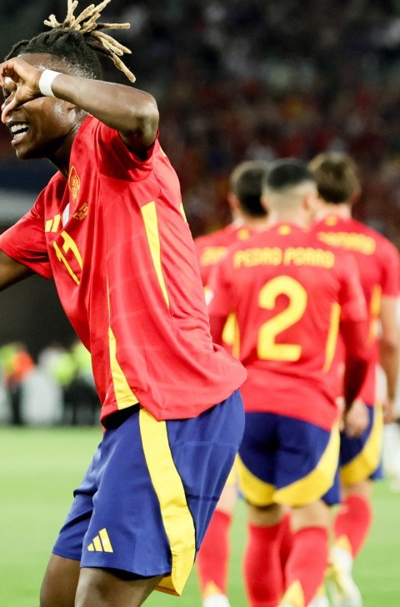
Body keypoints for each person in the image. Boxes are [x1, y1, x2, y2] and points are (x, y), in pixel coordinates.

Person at [0, 0, 246, 606]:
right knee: (58, 595)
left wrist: (49, 75)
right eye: (6, 102)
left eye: (22, 96)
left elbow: (143, 111)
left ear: (68, 94)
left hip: (174, 398)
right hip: (128, 418)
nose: (10, 113)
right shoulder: (53, 202)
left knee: (100, 599)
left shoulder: (112, 148)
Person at [207, 160, 373, 607]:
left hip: (250, 408)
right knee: (314, 523)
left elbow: (210, 337)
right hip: (309, 406)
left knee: (262, 527)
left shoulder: (234, 258)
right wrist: (351, 397)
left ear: (264, 201)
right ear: (310, 200)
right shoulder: (335, 258)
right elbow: (360, 349)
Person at [308, 152, 400, 607]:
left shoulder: (297, 244)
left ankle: (307, 587)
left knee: (305, 500)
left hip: (307, 385)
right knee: (359, 490)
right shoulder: (382, 250)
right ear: (356, 194)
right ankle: (341, 555)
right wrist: (390, 394)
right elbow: (392, 338)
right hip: (360, 387)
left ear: (312, 193)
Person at [192, 160, 270, 607]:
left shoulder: (201, 250)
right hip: (278, 388)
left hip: (216, 390)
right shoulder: (289, 251)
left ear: (233, 200)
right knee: (281, 510)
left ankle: (215, 594)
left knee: (218, 498)